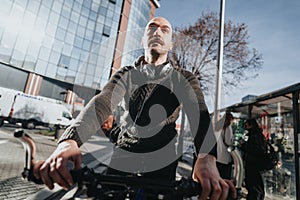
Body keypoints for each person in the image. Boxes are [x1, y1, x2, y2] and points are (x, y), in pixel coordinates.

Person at [33, 17, 236, 199]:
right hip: (123, 155)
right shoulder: (126, 74)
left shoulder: (183, 79)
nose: (158, 32)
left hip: (163, 161)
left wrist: (206, 158)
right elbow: (103, 102)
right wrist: (69, 142)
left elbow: (199, 113)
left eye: (165, 30)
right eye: (152, 27)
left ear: (171, 44)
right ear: (143, 39)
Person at [240, 118, 266, 200]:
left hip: (254, 163)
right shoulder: (255, 134)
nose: (246, 127)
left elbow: (258, 149)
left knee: (253, 184)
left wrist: (244, 145)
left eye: (247, 125)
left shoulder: (255, 135)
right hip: (254, 163)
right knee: (254, 183)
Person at [215, 112, 234, 179]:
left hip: (218, 156)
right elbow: (228, 142)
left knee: (218, 177)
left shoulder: (217, 126)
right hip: (225, 157)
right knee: (225, 178)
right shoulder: (228, 128)